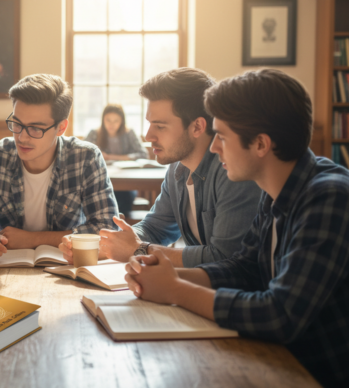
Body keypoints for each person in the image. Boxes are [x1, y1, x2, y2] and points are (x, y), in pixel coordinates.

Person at [123, 69, 349, 387]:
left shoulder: (329, 196)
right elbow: (244, 269)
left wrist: (174, 289)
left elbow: (280, 314)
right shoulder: (275, 191)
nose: (214, 148)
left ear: (260, 144)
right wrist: (164, 275)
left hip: (313, 372)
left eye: (223, 136)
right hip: (274, 360)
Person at [60, 68, 260, 268]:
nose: (148, 136)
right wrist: (107, 244)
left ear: (197, 127)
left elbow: (224, 257)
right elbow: (157, 227)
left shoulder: (232, 172)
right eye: (149, 124)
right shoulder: (177, 169)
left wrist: (141, 250)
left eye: (160, 126)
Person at [0, 74, 118, 263]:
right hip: (3, 267)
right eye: (17, 124)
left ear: (61, 128)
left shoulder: (86, 158)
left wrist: (33, 239)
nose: (22, 137)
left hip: (66, 269)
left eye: (35, 128)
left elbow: (107, 231)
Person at [85, 103, 148, 213]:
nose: (111, 124)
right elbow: (82, 155)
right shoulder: (94, 134)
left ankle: (121, 226)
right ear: (103, 120)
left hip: (126, 183)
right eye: (108, 120)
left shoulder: (129, 133)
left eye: (116, 121)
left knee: (123, 198)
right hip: (99, 182)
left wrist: (111, 157)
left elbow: (143, 154)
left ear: (122, 121)